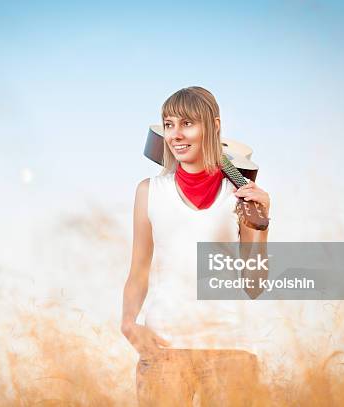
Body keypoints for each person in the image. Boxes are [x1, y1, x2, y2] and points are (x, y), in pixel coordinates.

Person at [121, 86, 271, 406]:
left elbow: (255, 284)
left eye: (187, 124)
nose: (176, 134)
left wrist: (261, 225)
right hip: (164, 350)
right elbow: (139, 268)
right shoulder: (149, 191)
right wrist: (129, 324)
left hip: (232, 348)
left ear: (214, 126)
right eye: (169, 124)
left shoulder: (240, 194)